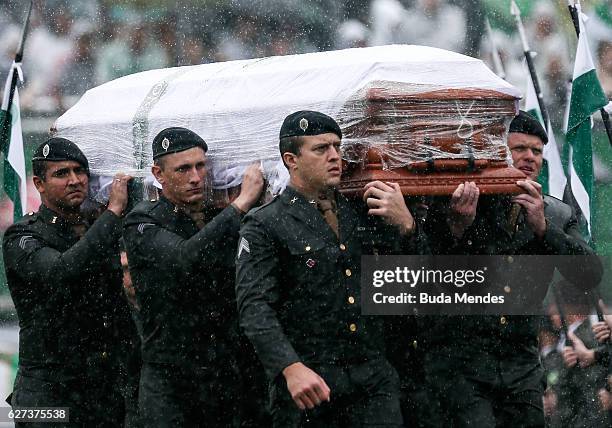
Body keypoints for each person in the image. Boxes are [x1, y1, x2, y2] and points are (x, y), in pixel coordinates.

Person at [235, 110, 428, 427]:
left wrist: (407, 226)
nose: (335, 156)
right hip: (310, 381)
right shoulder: (265, 224)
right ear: (291, 159)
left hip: (372, 378)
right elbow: (255, 308)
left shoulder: (364, 212)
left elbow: (413, 285)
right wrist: (290, 367)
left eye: (337, 147)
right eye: (321, 149)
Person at [422, 110, 603, 427]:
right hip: (464, 359)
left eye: (536, 151)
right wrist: (458, 227)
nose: (529, 158)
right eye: (520, 149)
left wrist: (546, 231)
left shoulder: (556, 213)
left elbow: (589, 274)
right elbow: (428, 271)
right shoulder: (465, 200)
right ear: (499, 152)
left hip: (520, 362)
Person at [123, 127, 264, 426]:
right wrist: (241, 203)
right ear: (158, 174)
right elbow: (184, 258)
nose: (196, 177)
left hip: (224, 376)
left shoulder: (217, 217)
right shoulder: (142, 221)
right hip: (171, 382)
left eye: (201, 166)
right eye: (183, 169)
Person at [2, 137, 133, 426]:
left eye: (80, 171)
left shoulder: (96, 226)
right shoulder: (22, 236)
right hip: (44, 395)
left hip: (100, 390)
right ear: (39, 183)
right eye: (62, 174)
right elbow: (61, 272)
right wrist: (112, 213)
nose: (75, 180)